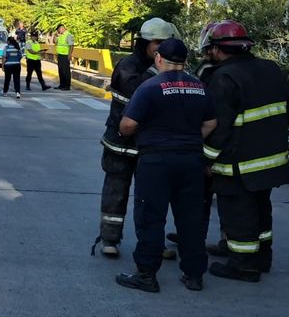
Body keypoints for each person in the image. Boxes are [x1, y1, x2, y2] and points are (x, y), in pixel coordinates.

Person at [114, 39, 216, 293]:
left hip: (156, 161)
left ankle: (147, 275)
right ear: (185, 61)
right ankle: (194, 275)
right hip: (191, 161)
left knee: (150, 217)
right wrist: (190, 139)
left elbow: (127, 124)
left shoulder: (150, 87)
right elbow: (211, 122)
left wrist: (133, 133)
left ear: (158, 58)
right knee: (190, 218)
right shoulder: (199, 87)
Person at [200, 20, 289, 283]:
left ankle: (243, 265)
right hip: (271, 158)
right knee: (261, 209)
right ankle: (262, 257)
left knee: (238, 212)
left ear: (217, 49)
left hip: (239, 163)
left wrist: (205, 159)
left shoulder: (224, 77)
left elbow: (219, 127)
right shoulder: (270, 68)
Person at [94, 17, 177, 257]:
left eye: (165, 44)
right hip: (120, 144)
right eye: (157, 43)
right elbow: (136, 90)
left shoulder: (167, 68)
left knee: (152, 197)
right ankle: (109, 239)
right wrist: (158, 70)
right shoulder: (127, 66)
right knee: (116, 192)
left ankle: (153, 243)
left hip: (151, 144)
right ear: (144, 43)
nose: (161, 49)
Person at [55, 24, 74, 90]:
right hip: (60, 55)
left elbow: (71, 45)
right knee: (60, 70)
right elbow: (55, 42)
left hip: (65, 55)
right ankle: (62, 85)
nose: (58, 31)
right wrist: (56, 36)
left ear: (61, 28)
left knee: (66, 71)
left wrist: (69, 55)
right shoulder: (60, 35)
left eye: (58, 29)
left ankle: (67, 86)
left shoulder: (68, 35)